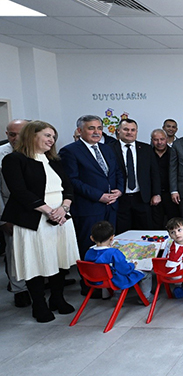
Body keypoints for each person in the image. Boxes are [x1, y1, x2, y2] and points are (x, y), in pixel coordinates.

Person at [2, 121, 79, 322]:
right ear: (31, 135)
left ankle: (57, 298)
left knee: (59, 259)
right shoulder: (14, 159)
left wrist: (64, 208)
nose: (51, 140)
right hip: (33, 219)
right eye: (47, 135)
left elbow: (68, 187)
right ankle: (39, 304)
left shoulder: (54, 160)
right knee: (35, 261)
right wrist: (48, 211)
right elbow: (19, 191)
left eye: (53, 136)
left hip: (60, 217)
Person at [60, 115, 123, 296]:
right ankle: (91, 287)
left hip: (111, 206)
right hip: (89, 208)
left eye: (99, 128)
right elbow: (72, 181)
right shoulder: (70, 151)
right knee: (90, 247)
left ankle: (109, 282)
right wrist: (99, 196)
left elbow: (117, 171)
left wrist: (119, 190)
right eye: (91, 128)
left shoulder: (107, 149)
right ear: (80, 131)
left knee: (109, 246)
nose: (96, 132)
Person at [109, 118, 161, 234]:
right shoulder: (109, 149)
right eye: (126, 129)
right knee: (122, 232)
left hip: (142, 197)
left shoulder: (146, 149)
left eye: (133, 130)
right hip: (120, 198)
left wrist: (156, 193)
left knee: (145, 232)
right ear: (118, 131)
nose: (129, 132)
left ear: (136, 132)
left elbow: (154, 173)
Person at [0, 119, 30, 307]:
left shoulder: (38, 150)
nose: (16, 138)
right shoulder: (1, 154)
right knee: (15, 252)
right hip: (10, 209)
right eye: (12, 134)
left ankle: (39, 284)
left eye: (21, 133)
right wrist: (3, 219)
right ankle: (19, 289)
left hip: (37, 209)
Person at [84, 221, 151, 300]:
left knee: (105, 270)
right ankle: (147, 298)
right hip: (114, 281)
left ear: (92, 238)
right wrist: (132, 265)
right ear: (112, 238)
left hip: (94, 280)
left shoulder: (89, 252)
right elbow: (125, 270)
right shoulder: (114, 252)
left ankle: (107, 295)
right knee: (147, 274)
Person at [150, 129, 181, 229]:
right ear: (152, 140)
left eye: (162, 139)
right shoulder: (147, 154)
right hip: (153, 194)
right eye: (156, 140)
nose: (159, 142)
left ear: (167, 139)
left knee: (174, 223)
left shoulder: (174, 152)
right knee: (155, 224)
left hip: (172, 194)